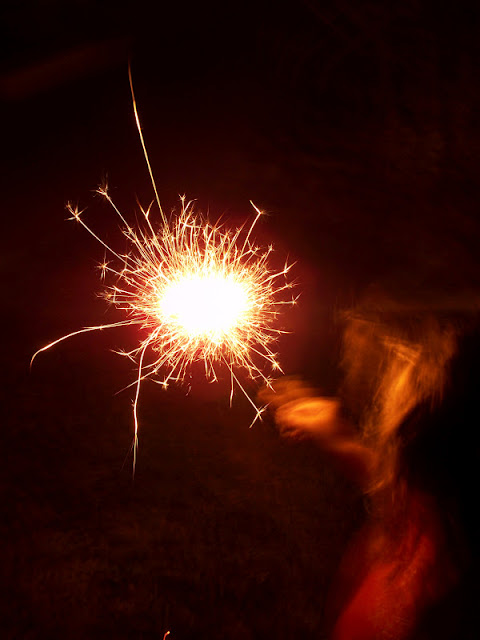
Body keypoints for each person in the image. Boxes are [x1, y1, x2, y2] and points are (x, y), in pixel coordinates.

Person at [263, 305, 479, 639]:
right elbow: (397, 488)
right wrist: (338, 438)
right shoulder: (441, 508)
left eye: (413, 383)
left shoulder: (442, 605)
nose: (387, 394)